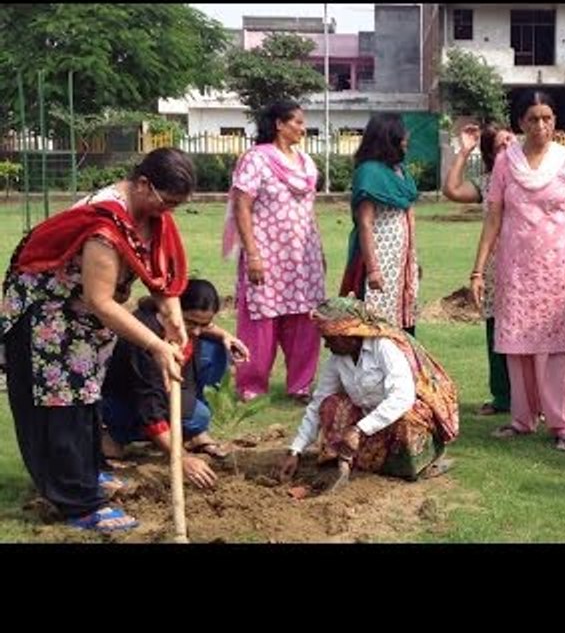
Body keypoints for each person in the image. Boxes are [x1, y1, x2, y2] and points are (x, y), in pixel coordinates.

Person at [0, 147, 193, 533]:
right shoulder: (105, 225)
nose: (168, 212)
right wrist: (155, 345)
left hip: (84, 321)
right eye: (165, 202)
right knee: (60, 405)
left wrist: (172, 317)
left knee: (86, 397)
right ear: (142, 184)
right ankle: (77, 500)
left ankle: (89, 471)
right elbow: (101, 301)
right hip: (49, 315)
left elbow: (159, 267)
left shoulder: (151, 212)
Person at [470, 90, 565, 451]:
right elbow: (493, 218)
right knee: (518, 344)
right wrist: (478, 271)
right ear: (520, 123)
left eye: (547, 118)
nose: (541, 126)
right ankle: (522, 419)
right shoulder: (507, 162)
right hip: (516, 268)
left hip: (556, 268)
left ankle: (563, 424)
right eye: (533, 119)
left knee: (557, 346)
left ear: (555, 121)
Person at [276, 297, 458, 486]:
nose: (327, 345)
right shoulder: (337, 360)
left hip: (397, 419)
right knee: (331, 405)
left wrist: (359, 429)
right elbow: (317, 404)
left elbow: (402, 398)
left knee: (408, 419)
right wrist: (295, 450)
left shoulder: (385, 348)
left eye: (330, 338)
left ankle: (421, 464)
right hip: (366, 420)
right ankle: (351, 461)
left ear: (350, 334)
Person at [99, 279, 251, 490]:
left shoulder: (175, 322)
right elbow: (149, 406)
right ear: (175, 308)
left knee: (215, 351)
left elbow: (198, 328)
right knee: (194, 418)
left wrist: (224, 335)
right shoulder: (144, 339)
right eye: (192, 323)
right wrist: (181, 458)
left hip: (166, 390)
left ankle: (177, 435)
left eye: (204, 324)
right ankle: (114, 434)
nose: (197, 331)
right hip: (127, 399)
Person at [225, 100, 326, 402]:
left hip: (302, 256)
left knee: (304, 320)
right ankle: (252, 384)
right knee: (262, 319)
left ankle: (301, 384)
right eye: (296, 121)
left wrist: (318, 249)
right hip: (266, 252)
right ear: (279, 124)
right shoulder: (255, 159)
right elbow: (242, 205)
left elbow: (310, 210)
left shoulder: (307, 163)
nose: (302, 128)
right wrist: (252, 253)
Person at [442, 122, 515, 415]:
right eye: (501, 146)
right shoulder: (487, 183)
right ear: (490, 155)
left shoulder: (534, 174)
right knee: (496, 328)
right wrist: (464, 151)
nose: (509, 147)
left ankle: (531, 397)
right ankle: (503, 397)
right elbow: (452, 189)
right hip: (496, 264)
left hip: (530, 263)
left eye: (511, 140)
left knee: (528, 328)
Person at [340, 112, 420, 334]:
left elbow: (408, 213)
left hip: (402, 262)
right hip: (380, 260)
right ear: (390, 136)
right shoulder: (370, 172)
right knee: (378, 325)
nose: (407, 138)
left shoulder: (400, 170)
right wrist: (373, 270)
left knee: (405, 321)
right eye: (403, 133)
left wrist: (412, 260)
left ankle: (404, 369)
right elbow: (365, 223)